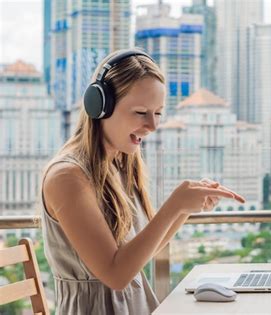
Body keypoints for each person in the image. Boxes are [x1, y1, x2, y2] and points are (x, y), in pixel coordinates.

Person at [40, 49, 245, 314]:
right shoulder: (67, 177)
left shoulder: (120, 165)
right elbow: (115, 275)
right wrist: (173, 205)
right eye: (140, 112)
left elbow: (143, 253)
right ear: (100, 106)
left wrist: (184, 209)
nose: (152, 126)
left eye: (158, 113)